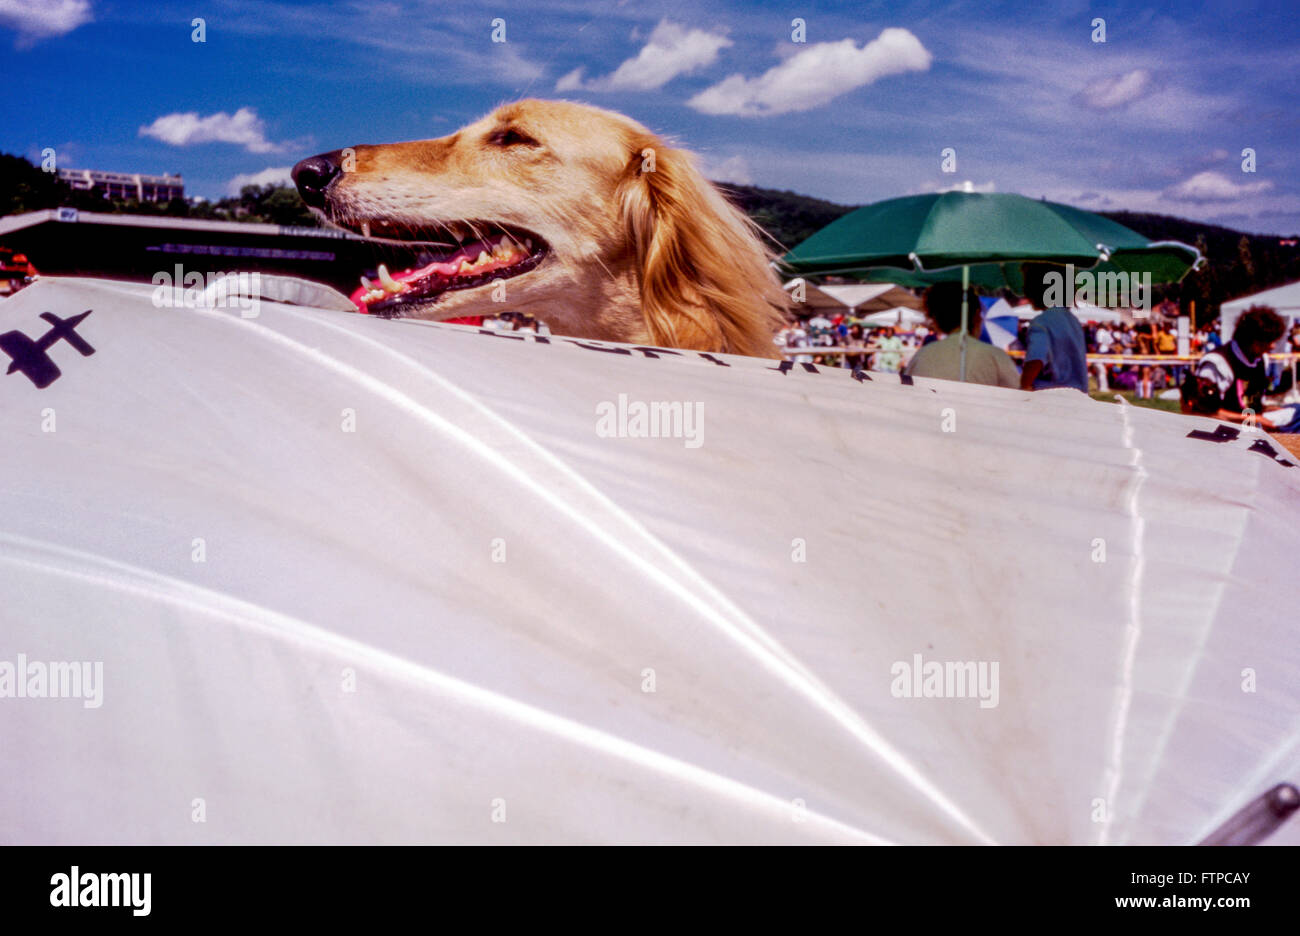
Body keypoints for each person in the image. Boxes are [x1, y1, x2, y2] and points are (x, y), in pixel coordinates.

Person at [1180, 305, 1288, 428]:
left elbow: (1248, 405)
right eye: (1267, 341)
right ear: (1251, 340)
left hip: (1249, 433)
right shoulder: (1217, 363)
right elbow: (1203, 412)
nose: (1272, 346)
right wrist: (1255, 419)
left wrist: (1268, 410)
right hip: (1217, 437)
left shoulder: (1261, 361)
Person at [904, 282, 1020, 388]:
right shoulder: (995, 356)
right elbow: (1017, 396)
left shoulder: (921, 356)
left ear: (936, 320)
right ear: (976, 315)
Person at [1018, 263, 1090, 392]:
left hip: (1050, 397)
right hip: (1079, 397)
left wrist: (1024, 385)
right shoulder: (1074, 322)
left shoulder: (1041, 323)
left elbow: (1036, 358)